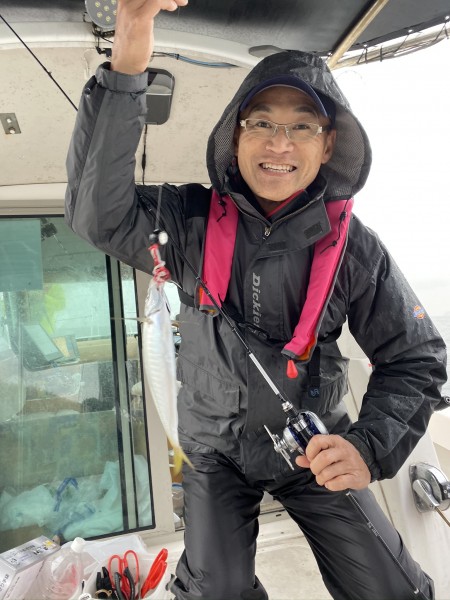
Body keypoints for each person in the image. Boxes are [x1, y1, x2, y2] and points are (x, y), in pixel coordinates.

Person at [65, 1, 448, 598]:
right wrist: (130, 57)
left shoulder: (354, 248)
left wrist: (367, 446)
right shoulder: (185, 220)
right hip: (214, 452)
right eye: (261, 121)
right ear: (236, 135)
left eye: (302, 126)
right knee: (216, 590)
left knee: (393, 590)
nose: (279, 142)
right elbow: (99, 215)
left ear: (328, 145)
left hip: (313, 446)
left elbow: (415, 358)